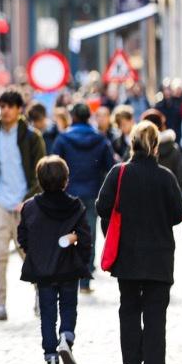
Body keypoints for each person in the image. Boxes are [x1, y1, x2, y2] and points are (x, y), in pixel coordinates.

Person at [96, 122, 182, 364]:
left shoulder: (119, 173)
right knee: (156, 312)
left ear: (131, 144)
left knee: (130, 309)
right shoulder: (165, 177)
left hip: (127, 255)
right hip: (159, 255)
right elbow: (178, 214)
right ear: (156, 146)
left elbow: (102, 207)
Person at [17, 155, 92, 364]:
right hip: (68, 266)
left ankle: (51, 360)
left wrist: (36, 253)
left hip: (43, 270)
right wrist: (81, 258)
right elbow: (86, 238)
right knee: (69, 307)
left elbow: (23, 237)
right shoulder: (75, 206)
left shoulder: (30, 207)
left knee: (47, 315)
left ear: (39, 180)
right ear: (65, 180)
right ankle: (66, 338)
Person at [0, 87, 46, 321]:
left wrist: (29, 199)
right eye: (2, 106)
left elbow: (41, 172)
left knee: (28, 254)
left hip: (25, 204)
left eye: (10, 106)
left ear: (19, 110)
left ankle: (41, 297)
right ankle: (1, 304)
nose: (5, 110)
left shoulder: (31, 137)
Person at [52, 103, 115, 293]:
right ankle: (85, 280)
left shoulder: (63, 139)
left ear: (73, 117)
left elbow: (53, 166)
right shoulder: (100, 139)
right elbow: (110, 166)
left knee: (66, 233)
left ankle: (67, 274)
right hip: (92, 192)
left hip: (68, 193)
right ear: (89, 117)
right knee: (89, 235)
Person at [139, 109, 182, 187]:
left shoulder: (139, 148)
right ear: (162, 125)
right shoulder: (174, 148)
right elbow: (181, 177)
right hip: (169, 195)